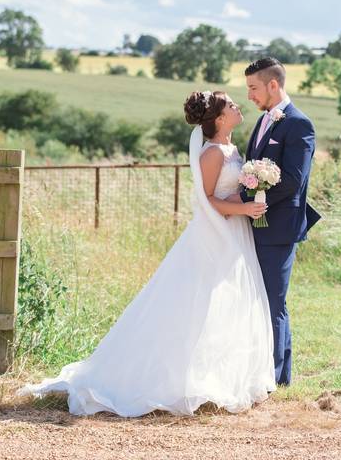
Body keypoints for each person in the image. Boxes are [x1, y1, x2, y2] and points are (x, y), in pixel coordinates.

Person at [17, 90, 275, 417]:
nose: (238, 106)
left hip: (235, 232)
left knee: (226, 302)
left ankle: (222, 376)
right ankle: (171, 379)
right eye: (231, 105)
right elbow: (208, 200)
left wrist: (249, 202)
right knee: (195, 304)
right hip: (213, 234)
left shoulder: (232, 148)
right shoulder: (212, 154)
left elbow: (230, 193)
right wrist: (243, 209)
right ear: (220, 118)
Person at [240, 57, 321, 386]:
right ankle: (262, 370)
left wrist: (253, 202)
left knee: (273, 300)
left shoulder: (299, 124)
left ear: (274, 85)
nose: (249, 95)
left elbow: (292, 180)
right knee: (257, 297)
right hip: (254, 225)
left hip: (278, 228)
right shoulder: (263, 121)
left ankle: (276, 377)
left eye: (253, 88)